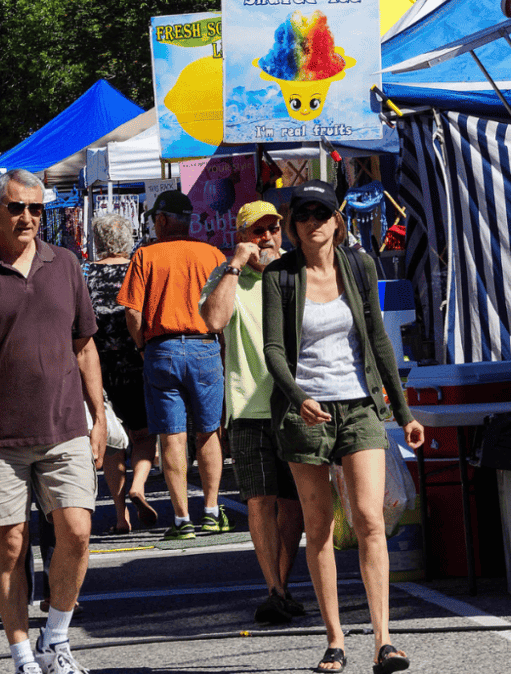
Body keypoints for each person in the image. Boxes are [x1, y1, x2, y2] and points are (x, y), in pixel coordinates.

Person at [0, 169, 105, 674]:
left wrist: (97, 416)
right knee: (9, 544)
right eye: (17, 208)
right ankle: (20, 655)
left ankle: (56, 639)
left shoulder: (66, 265)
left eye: (37, 208)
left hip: (63, 427)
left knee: (76, 530)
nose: (29, 217)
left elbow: (84, 346)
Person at [262, 181, 424, 674]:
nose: (313, 221)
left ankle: (384, 641)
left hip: (358, 407)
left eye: (322, 212)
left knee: (370, 521)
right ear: (293, 224)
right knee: (319, 528)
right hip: (304, 412)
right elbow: (272, 350)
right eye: (304, 213)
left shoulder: (359, 266)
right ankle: (335, 640)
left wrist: (404, 413)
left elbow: (378, 339)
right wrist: (299, 397)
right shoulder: (280, 276)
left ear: (338, 219)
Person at [199, 201, 305, 625]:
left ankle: (282, 582)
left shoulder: (294, 272)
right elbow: (213, 320)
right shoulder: (227, 276)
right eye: (257, 231)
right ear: (242, 236)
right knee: (259, 501)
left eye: (273, 229)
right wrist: (234, 266)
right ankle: (275, 589)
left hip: (297, 403)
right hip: (248, 405)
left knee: (294, 503)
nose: (267, 238)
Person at [116, 189, 229, 540]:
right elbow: (225, 308)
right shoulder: (211, 254)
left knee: (172, 435)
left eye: (154, 219)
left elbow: (132, 312)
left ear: (162, 220)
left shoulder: (145, 256)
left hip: (161, 349)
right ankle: (211, 510)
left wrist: (141, 346)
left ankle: (182, 519)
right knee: (208, 431)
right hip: (205, 347)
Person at [86, 213, 158, 532]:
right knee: (143, 435)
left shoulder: (83, 272)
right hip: (136, 360)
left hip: (98, 366)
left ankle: (119, 515)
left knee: (113, 439)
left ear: (97, 241)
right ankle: (139, 485)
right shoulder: (138, 269)